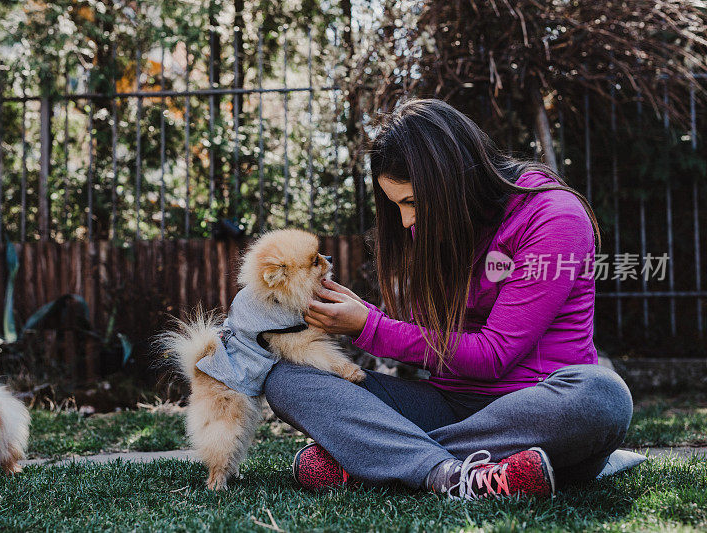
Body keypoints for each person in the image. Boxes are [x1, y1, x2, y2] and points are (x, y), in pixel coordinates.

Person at [263, 98, 634, 500]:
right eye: (397, 205)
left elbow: (493, 356)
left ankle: (381, 459)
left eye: (412, 203)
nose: (406, 221)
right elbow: (433, 338)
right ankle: (458, 474)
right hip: (449, 403)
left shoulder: (553, 217)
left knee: (602, 396)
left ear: (452, 181)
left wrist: (369, 328)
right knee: (287, 378)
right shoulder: (432, 229)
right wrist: (361, 317)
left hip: (536, 411)